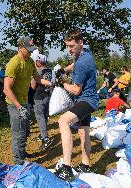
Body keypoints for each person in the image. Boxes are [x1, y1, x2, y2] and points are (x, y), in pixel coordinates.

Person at [54, 29, 98, 181]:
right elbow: (75, 63)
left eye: (72, 46)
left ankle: (66, 168)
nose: (69, 49)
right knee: (83, 132)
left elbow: (76, 90)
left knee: (63, 121)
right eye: (67, 46)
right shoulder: (85, 54)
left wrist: (62, 83)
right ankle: (85, 165)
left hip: (85, 100)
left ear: (81, 42)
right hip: (90, 100)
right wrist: (65, 70)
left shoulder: (82, 64)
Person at [3, 36, 52, 165]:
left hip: (25, 102)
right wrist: (19, 107)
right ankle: (18, 162)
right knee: (19, 132)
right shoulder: (14, 63)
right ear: (20, 48)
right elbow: (6, 89)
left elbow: (37, 78)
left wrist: (51, 83)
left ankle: (22, 152)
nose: (31, 52)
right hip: (15, 104)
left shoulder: (30, 61)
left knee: (26, 130)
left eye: (32, 49)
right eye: (28, 49)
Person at [31, 54, 53, 150]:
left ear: (39, 62)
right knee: (44, 116)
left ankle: (45, 138)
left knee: (40, 117)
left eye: (36, 61)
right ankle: (42, 134)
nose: (35, 62)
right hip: (47, 95)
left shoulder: (38, 71)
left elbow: (33, 86)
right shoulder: (49, 70)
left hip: (39, 96)